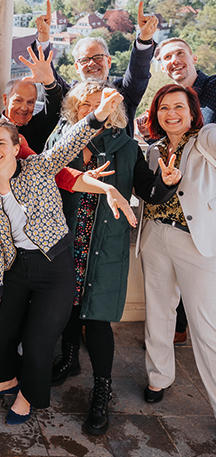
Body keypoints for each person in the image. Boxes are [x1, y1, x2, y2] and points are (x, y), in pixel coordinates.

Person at [0, 87, 122, 425]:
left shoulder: (37, 168)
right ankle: (5, 378)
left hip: (55, 268)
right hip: (17, 268)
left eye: (0, 144)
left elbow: (68, 144)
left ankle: (28, 395)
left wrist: (96, 116)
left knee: (38, 343)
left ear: (14, 147)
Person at [51, 80, 180, 435]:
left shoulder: (126, 147)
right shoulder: (62, 143)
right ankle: (70, 359)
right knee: (68, 308)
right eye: (85, 104)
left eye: (102, 103)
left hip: (105, 244)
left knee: (98, 318)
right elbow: (45, 174)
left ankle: (102, 389)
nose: (94, 110)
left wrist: (165, 182)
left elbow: (148, 192)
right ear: (75, 110)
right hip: (66, 241)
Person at [138, 84, 216, 418]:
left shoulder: (206, 138)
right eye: (163, 108)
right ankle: (159, 377)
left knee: (205, 325)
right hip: (155, 235)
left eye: (178, 107)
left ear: (192, 111)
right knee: (157, 312)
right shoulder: (154, 149)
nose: (171, 114)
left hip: (194, 241)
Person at [35, 0, 159, 134]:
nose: (92, 63)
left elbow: (138, 73)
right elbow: (48, 74)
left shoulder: (123, 94)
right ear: (77, 67)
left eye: (98, 57)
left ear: (109, 62)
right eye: (85, 60)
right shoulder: (68, 95)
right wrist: (43, 37)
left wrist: (145, 38)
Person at [1, 45, 64, 153]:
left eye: (30, 102)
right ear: (5, 99)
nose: (24, 108)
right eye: (18, 100)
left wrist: (49, 81)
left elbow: (55, 104)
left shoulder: (38, 127)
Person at [156, 37, 216, 124]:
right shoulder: (167, 105)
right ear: (163, 68)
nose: (174, 60)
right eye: (167, 57)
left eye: (180, 53)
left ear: (194, 58)